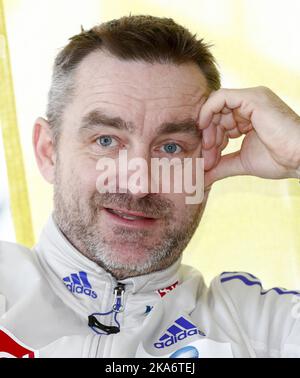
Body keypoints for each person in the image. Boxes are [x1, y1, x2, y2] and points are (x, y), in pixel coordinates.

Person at [0, 15, 300, 359]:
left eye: (171, 148)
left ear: (208, 160)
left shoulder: (264, 331)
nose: (139, 184)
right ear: (48, 152)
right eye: (107, 140)